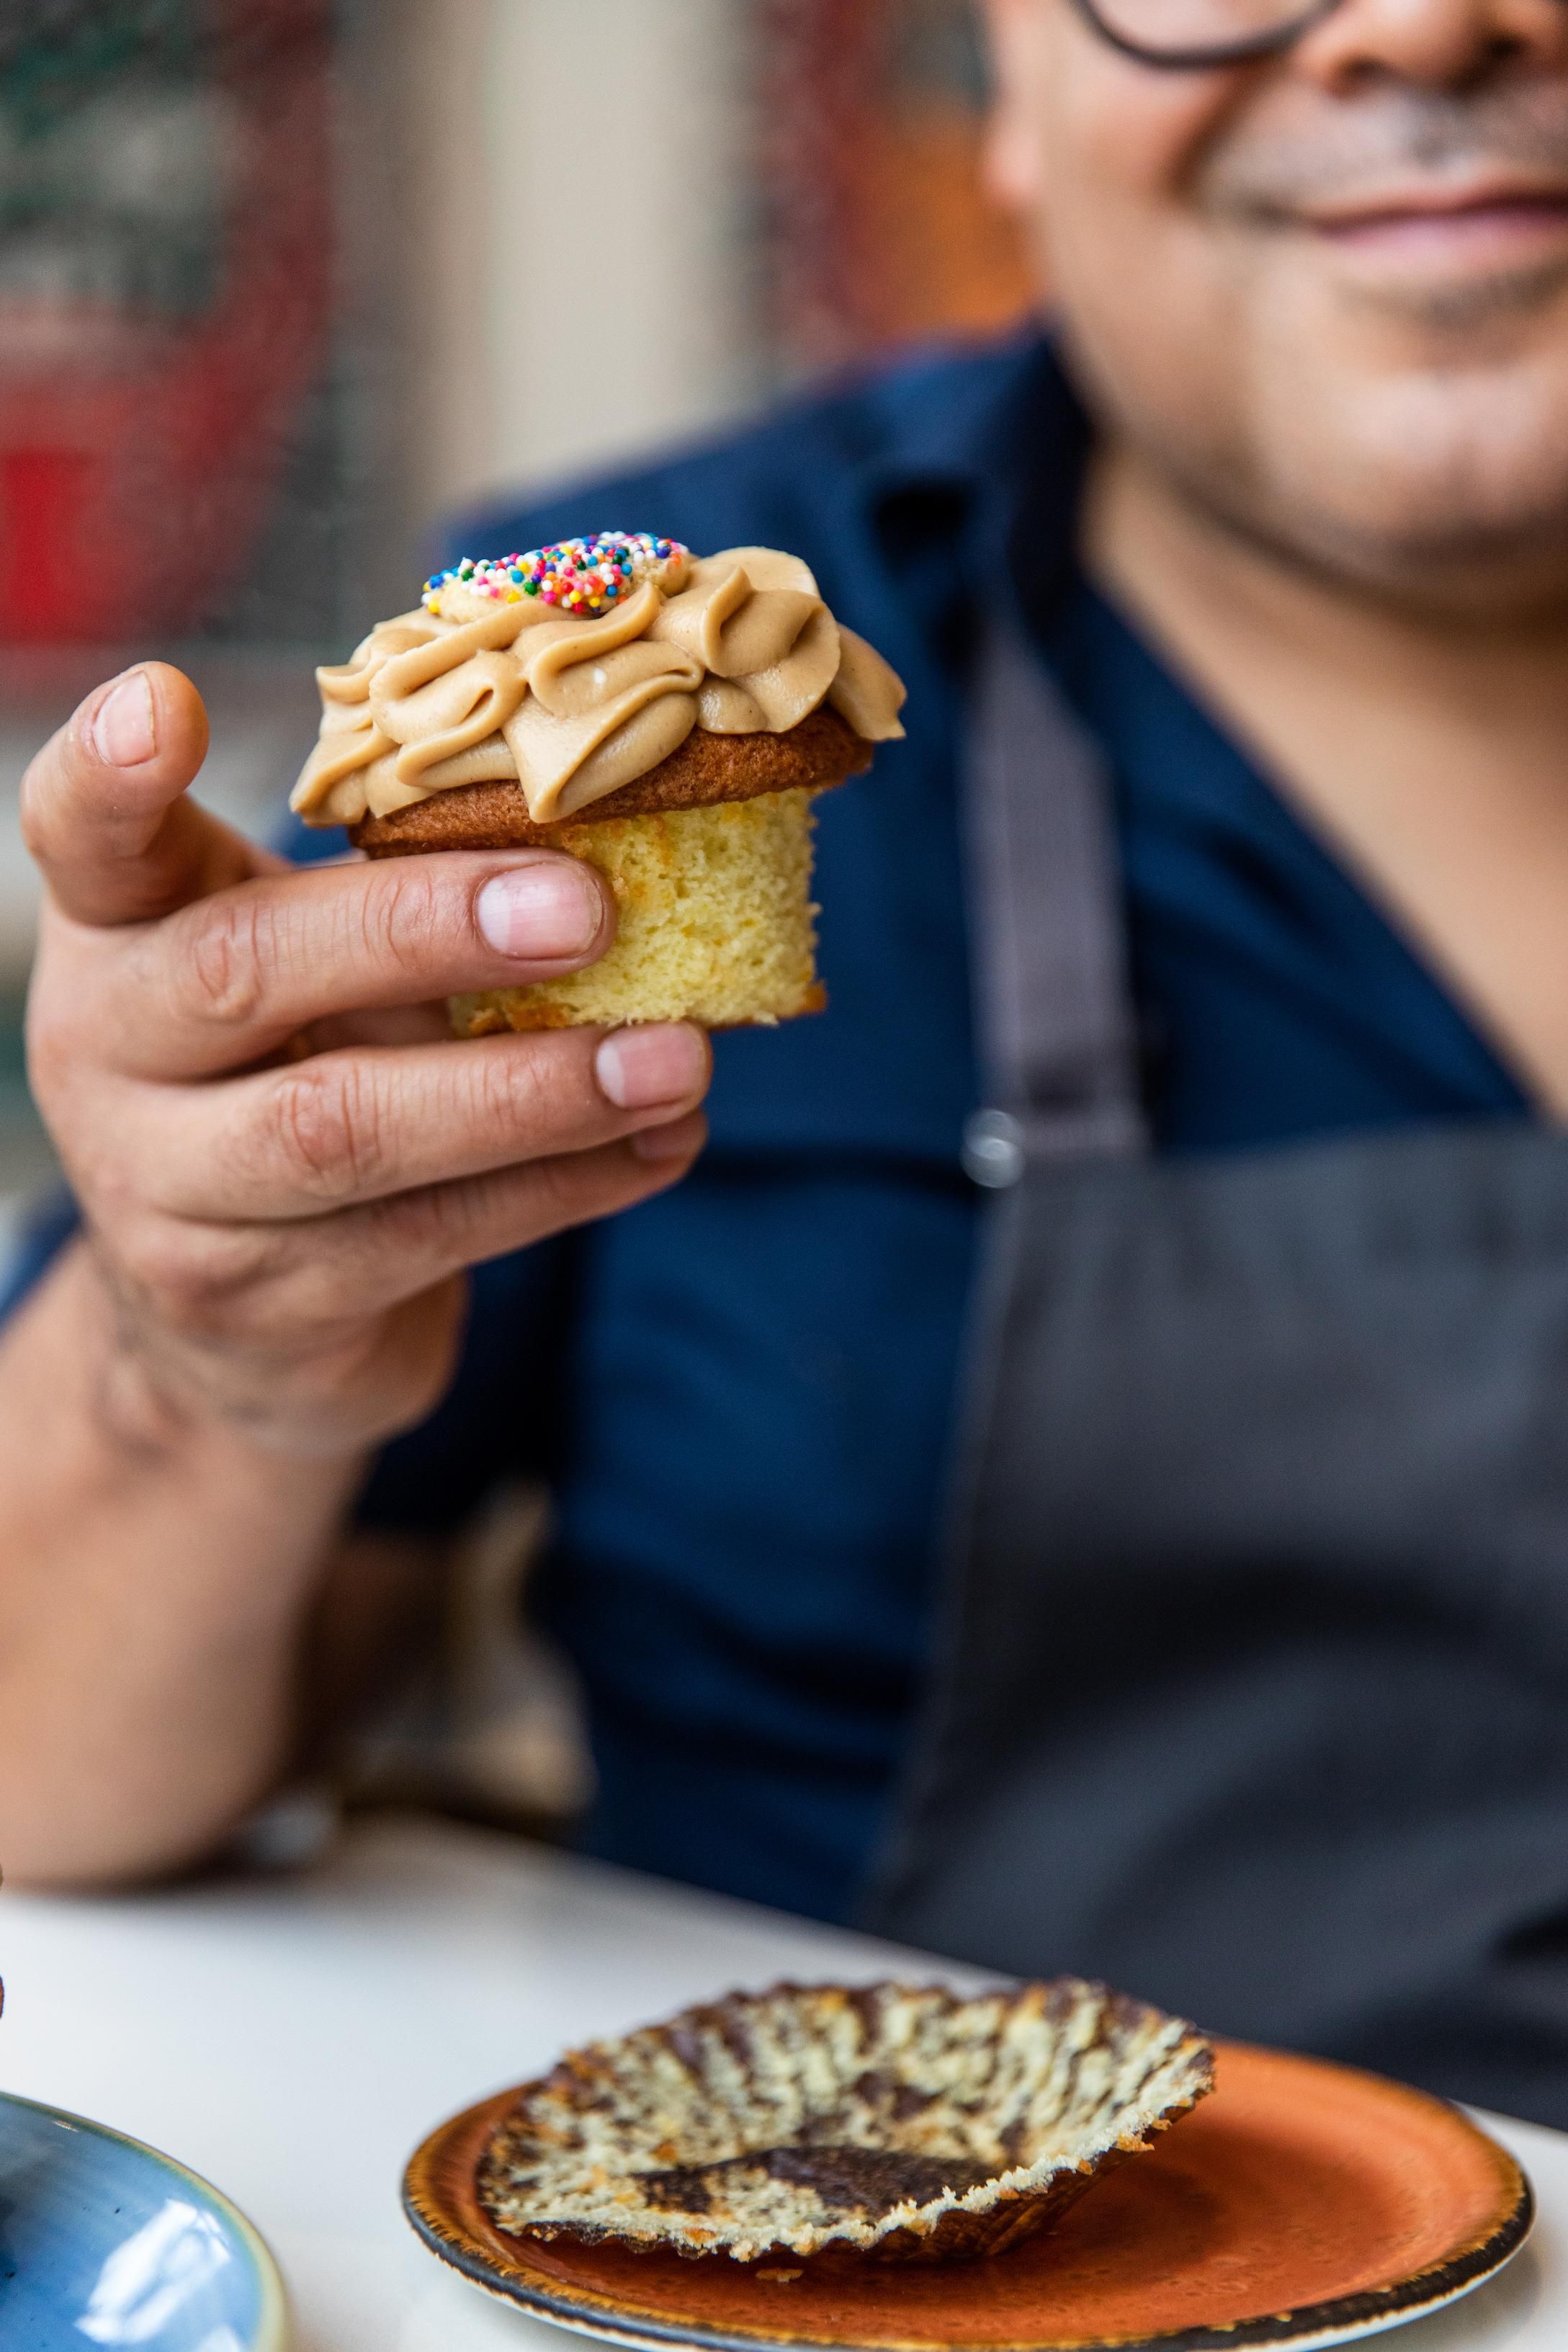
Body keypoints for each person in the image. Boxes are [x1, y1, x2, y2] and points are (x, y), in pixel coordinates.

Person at [8, 0, 1568, 2123]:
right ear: (1007, 77)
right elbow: (45, 1781)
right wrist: (191, 1356)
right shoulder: (594, 700)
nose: (1416, 22)